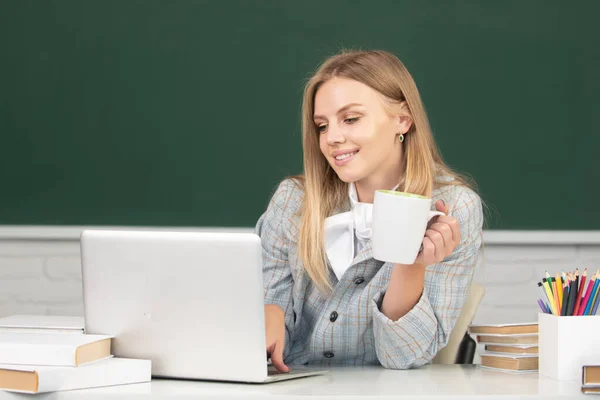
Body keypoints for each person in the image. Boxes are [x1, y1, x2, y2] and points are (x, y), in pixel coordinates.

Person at [255, 49, 484, 371]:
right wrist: (269, 311)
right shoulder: (294, 201)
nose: (332, 138)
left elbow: (405, 357)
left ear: (403, 119)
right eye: (322, 126)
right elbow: (264, 335)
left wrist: (411, 265)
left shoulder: (454, 209)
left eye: (350, 119)